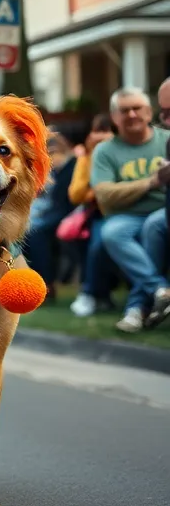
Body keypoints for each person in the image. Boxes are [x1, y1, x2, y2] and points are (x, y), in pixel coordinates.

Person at [91, 89, 170, 333]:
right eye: (124, 110)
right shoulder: (105, 150)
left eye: (137, 108)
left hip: (163, 210)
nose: (132, 115)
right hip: (126, 216)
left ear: (149, 112)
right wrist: (151, 182)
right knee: (112, 233)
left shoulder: (166, 140)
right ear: (114, 117)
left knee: (154, 225)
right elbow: (104, 194)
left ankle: (137, 308)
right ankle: (159, 290)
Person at [68, 114, 118, 316]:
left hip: (119, 211)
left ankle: (94, 293)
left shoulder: (120, 154)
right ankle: (94, 293)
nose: (100, 137)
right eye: (97, 131)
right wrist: (89, 158)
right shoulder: (86, 157)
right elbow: (75, 194)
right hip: (98, 213)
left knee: (99, 244)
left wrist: (99, 190)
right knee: (89, 243)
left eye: (106, 131)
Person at [22, 132, 76, 300]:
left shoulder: (71, 165)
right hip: (45, 212)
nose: (51, 156)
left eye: (53, 151)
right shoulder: (44, 168)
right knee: (24, 231)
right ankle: (28, 282)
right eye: (48, 152)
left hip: (66, 214)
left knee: (35, 232)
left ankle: (46, 283)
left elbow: (64, 201)